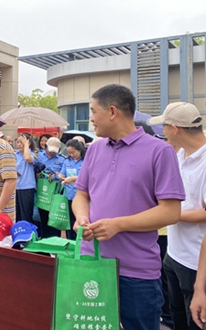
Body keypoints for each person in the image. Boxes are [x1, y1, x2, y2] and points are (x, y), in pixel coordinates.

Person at [72, 84, 185, 330]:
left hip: (137, 273)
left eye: (93, 111)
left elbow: (171, 211)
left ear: (112, 112)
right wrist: (82, 216)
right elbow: (81, 195)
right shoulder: (94, 150)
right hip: (92, 262)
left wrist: (118, 225)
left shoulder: (160, 151)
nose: (91, 119)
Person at [149, 102, 206, 330]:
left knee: (196, 321)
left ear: (175, 129)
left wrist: (172, 214)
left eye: (163, 127)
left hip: (196, 260)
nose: (161, 132)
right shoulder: (180, 154)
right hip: (174, 253)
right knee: (176, 316)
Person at [36, 136, 65, 238]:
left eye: (55, 151)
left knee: (53, 219)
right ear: (46, 146)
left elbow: (63, 176)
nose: (52, 153)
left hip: (54, 194)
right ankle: (43, 241)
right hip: (41, 193)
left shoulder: (62, 160)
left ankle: (54, 242)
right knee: (42, 219)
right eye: (51, 150)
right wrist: (37, 174)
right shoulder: (38, 156)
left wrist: (57, 176)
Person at [59, 138, 85, 240]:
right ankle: (70, 242)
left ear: (79, 150)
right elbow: (62, 174)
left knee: (79, 221)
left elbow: (87, 177)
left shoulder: (86, 161)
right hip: (68, 195)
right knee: (69, 223)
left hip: (80, 196)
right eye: (69, 153)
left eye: (73, 152)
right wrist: (57, 176)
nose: (71, 155)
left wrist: (73, 179)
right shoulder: (67, 161)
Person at [15, 134, 36, 223]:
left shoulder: (33, 154)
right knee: (17, 215)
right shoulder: (14, 155)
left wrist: (26, 145)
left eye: (22, 142)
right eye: (18, 142)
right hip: (15, 187)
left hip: (27, 187)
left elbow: (28, 158)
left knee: (26, 215)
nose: (19, 144)